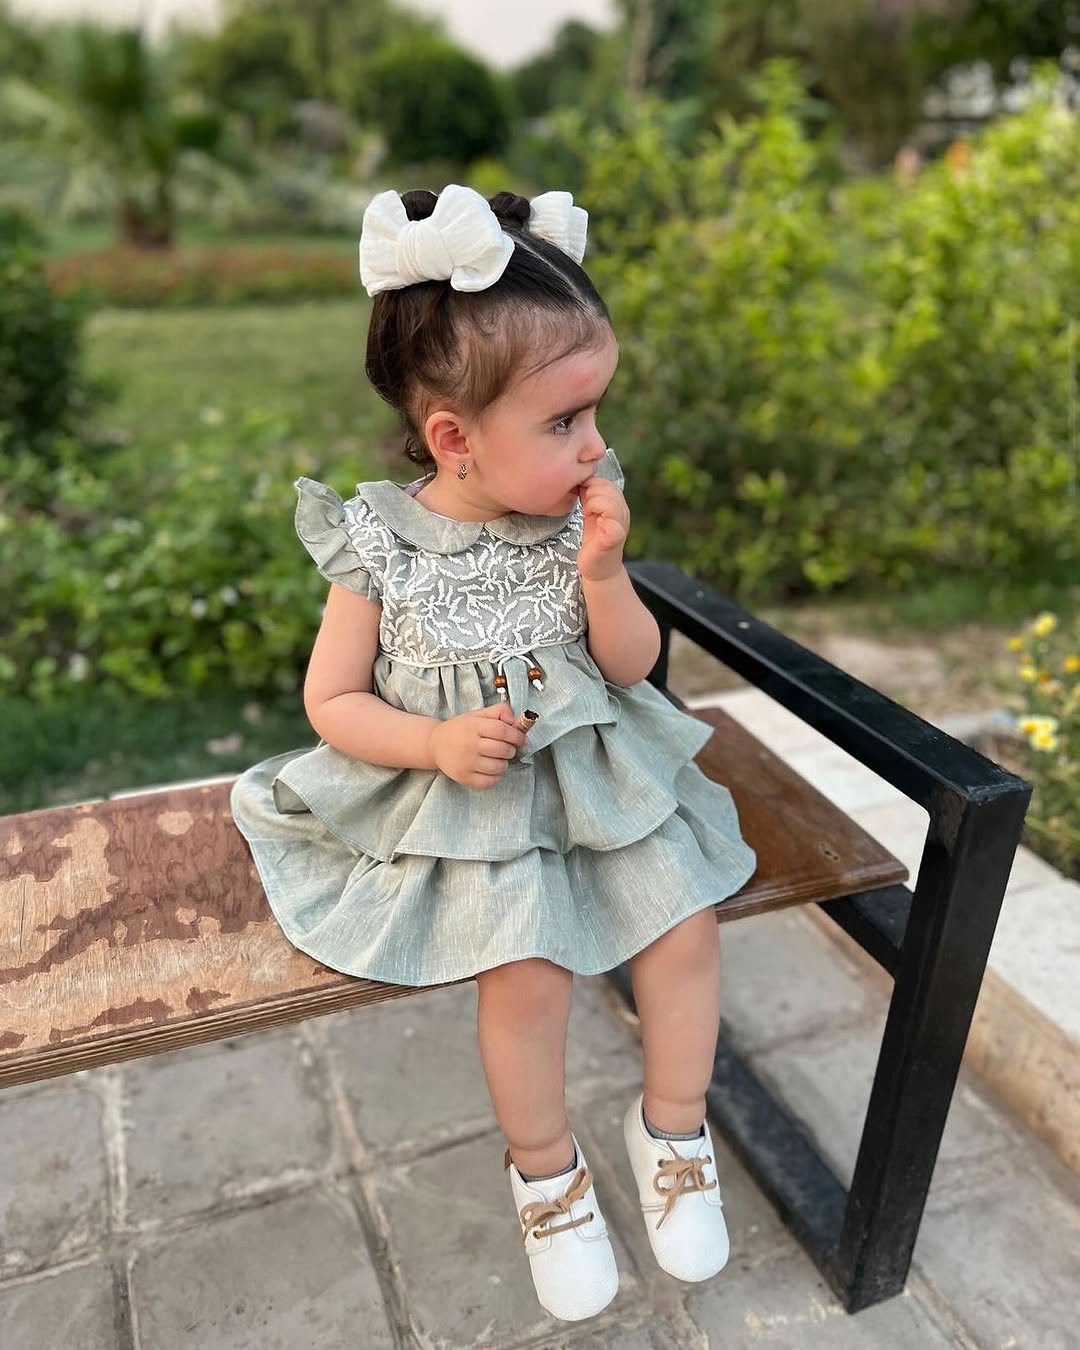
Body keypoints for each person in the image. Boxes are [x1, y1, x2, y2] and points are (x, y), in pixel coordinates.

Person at [230, 184, 758, 1323]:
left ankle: (674, 1132)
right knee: (524, 967)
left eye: (597, 411)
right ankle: (547, 1177)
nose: (596, 444)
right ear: (454, 440)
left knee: (685, 924)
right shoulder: (381, 544)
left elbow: (629, 668)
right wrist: (430, 739)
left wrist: (605, 578)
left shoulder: (577, 515)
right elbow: (331, 701)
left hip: (597, 780)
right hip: (460, 795)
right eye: (566, 421)